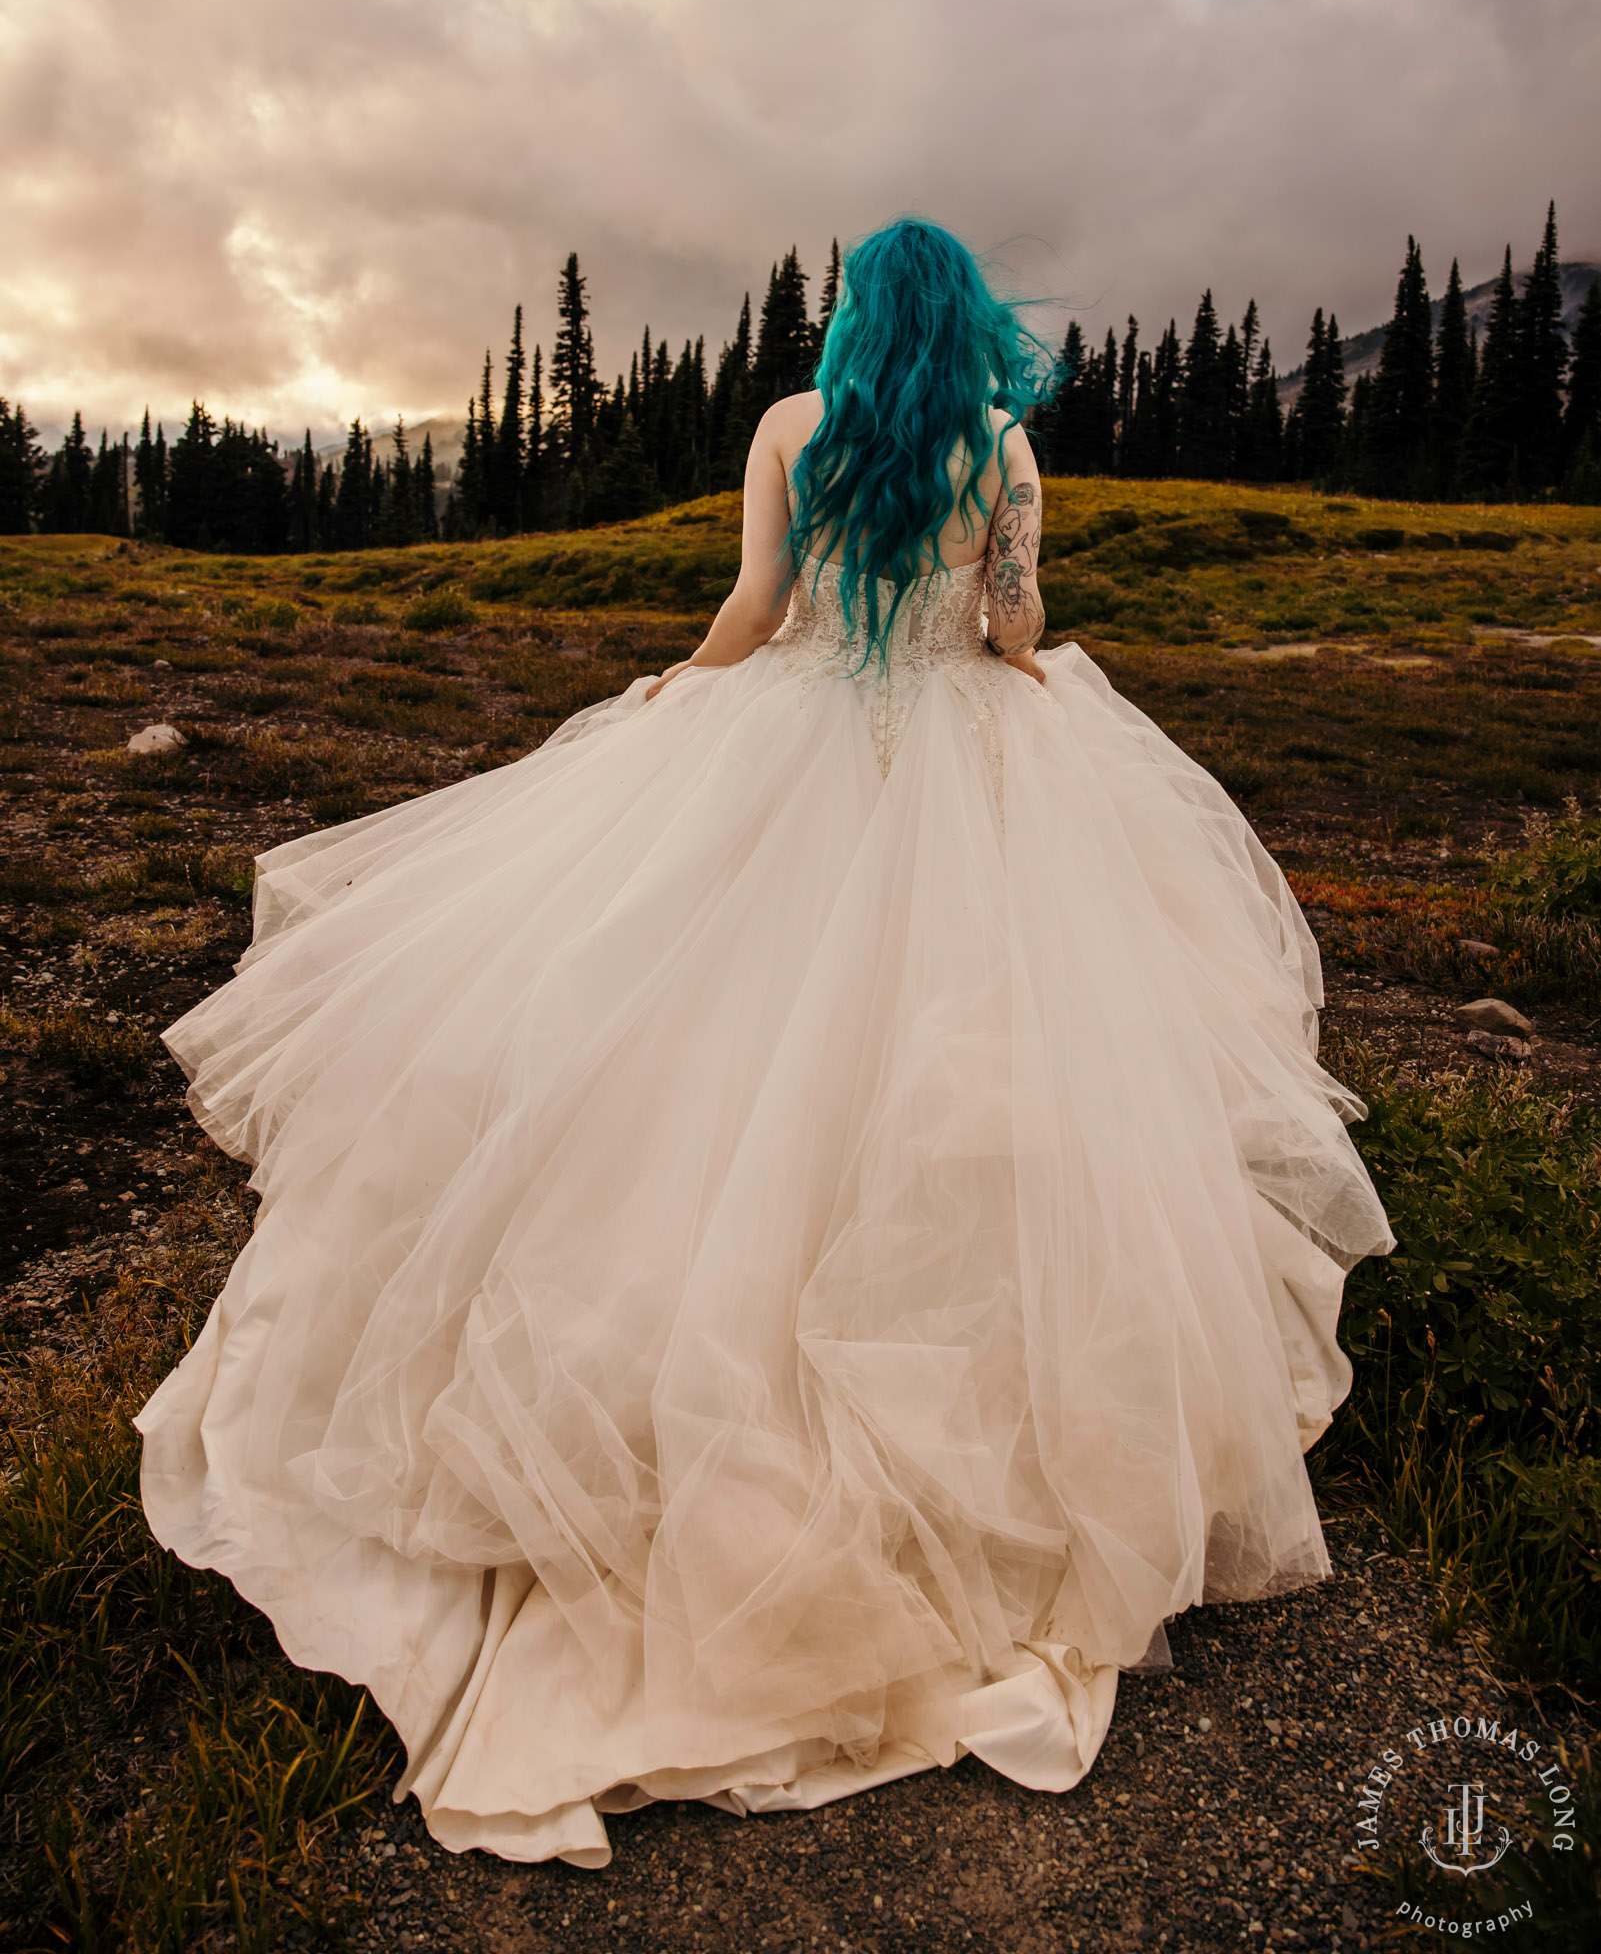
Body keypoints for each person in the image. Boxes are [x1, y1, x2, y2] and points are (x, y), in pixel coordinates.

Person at [138, 217, 1392, 1870]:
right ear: (968, 324)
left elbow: (753, 606)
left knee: (688, 1036)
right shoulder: (1004, 448)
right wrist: (976, 642)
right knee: (971, 1058)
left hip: (786, 757)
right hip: (964, 775)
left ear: (863, 315)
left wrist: (673, 695)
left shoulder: (793, 430)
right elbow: (1019, 634)